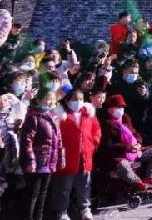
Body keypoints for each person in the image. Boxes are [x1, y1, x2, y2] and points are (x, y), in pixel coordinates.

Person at [46, 89, 100, 220]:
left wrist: (93, 144)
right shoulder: (59, 115)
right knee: (63, 186)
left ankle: (85, 209)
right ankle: (61, 211)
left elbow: (96, 130)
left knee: (84, 185)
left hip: (85, 155)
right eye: (75, 99)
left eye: (81, 99)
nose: (78, 102)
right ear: (67, 101)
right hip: (66, 156)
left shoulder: (88, 114)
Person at [96, 95, 152, 191]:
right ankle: (138, 183)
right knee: (123, 164)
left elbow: (135, 133)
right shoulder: (105, 123)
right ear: (110, 109)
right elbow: (108, 145)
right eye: (118, 107)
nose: (121, 110)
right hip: (116, 155)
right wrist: (128, 148)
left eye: (122, 107)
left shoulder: (125, 118)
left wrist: (138, 143)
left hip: (134, 151)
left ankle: (149, 178)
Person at [20, 89, 64, 220]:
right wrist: (30, 161)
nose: (50, 102)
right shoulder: (33, 117)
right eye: (47, 99)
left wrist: (61, 157)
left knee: (43, 193)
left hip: (49, 160)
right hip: (37, 161)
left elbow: (58, 139)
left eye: (52, 99)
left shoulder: (53, 117)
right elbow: (27, 142)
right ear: (39, 100)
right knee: (33, 193)